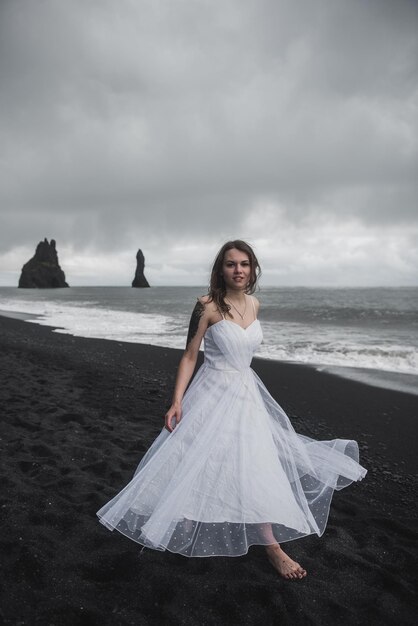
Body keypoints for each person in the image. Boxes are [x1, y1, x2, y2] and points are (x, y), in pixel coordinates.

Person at [97, 240, 367, 581]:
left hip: (247, 392)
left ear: (253, 269)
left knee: (255, 461)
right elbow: (190, 355)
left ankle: (271, 546)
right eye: (230, 264)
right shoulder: (207, 305)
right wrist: (177, 400)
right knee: (199, 456)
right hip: (211, 389)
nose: (238, 270)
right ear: (220, 269)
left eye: (244, 264)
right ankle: (187, 516)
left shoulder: (255, 303)